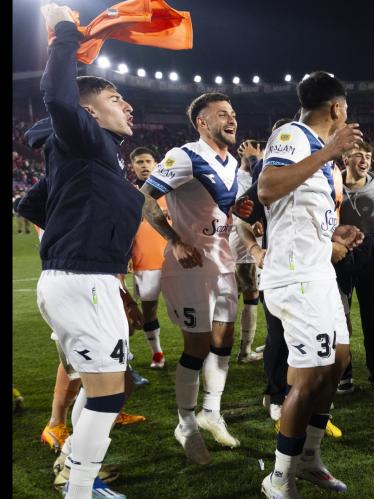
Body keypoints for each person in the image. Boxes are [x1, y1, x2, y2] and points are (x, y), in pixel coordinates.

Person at [29, 4, 145, 497]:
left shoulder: (93, 155)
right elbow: (57, 95)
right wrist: (63, 34)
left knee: (107, 384)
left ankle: (77, 471)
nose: (129, 106)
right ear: (91, 112)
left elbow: (30, 203)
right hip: (80, 281)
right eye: (117, 97)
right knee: (109, 393)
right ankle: (78, 488)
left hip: (90, 278)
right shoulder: (89, 137)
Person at [257, 71, 363, 496]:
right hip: (295, 278)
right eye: (346, 109)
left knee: (336, 363)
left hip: (318, 271)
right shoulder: (293, 135)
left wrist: (334, 236)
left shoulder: (319, 152)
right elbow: (266, 189)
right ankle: (279, 478)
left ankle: (309, 458)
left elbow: (297, 213)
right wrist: (329, 152)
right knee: (308, 375)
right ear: (336, 108)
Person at [140, 92, 244, 463]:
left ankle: (211, 412)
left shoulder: (234, 162)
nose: (231, 119)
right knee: (197, 347)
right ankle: (185, 423)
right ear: (202, 123)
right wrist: (174, 240)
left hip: (224, 264)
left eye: (232, 114)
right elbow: (146, 197)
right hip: (190, 267)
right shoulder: (184, 156)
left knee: (223, 340)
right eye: (221, 114)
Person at [336, 140, 374, 395]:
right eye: (358, 155)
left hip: (369, 264)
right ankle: (343, 373)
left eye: (368, 156)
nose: (365, 160)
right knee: (339, 322)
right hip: (337, 264)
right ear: (345, 160)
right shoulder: (331, 187)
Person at [128, 147, 168, 369]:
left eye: (147, 161)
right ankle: (157, 353)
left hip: (174, 261)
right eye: (139, 162)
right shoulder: (128, 193)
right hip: (145, 262)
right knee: (149, 310)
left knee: (184, 307)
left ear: (156, 164)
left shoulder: (170, 192)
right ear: (132, 165)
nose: (144, 165)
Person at [231, 140, 264, 363]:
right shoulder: (248, 178)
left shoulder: (231, 175)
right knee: (251, 296)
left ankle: (238, 349)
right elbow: (244, 209)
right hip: (245, 244)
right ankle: (245, 351)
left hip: (235, 243)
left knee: (238, 296)